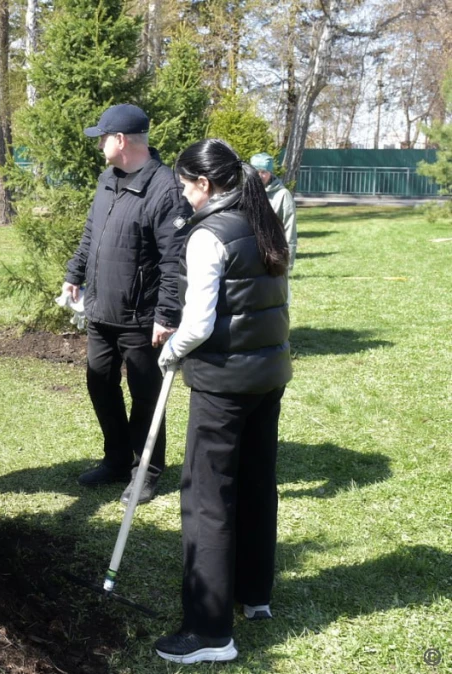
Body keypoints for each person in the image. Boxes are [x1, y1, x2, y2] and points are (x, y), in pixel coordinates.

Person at [154, 138, 292, 664]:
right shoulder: (262, 218)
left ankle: (209, 631)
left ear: (204, 184)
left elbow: (199, 322)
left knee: (208, 500)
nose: (184, 196)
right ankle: (254, 595)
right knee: (257, 482)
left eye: (186, 186)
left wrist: (174, 354)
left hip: (225, 383)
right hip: (267, 375)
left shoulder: (208, 234)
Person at [63, 104, 192, 505]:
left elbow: (175, 261)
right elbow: (92, 232)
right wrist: (74, 272)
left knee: (145, 395)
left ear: (120, 140)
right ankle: (116, 459)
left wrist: (167, 315)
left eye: (103, 136)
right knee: (99, 382)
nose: (99, 143)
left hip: (141, 317)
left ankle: (146, 472)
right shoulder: (108, 178)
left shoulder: (165, 189)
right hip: (101, 309)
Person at [250, 152, 297, 272]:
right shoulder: (246, 193)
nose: (260, 176)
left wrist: (288, 264)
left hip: (272, 256)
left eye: (264, 172)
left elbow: (289, 229)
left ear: (270, 172)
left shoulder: (282, 195)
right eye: (257, 172)